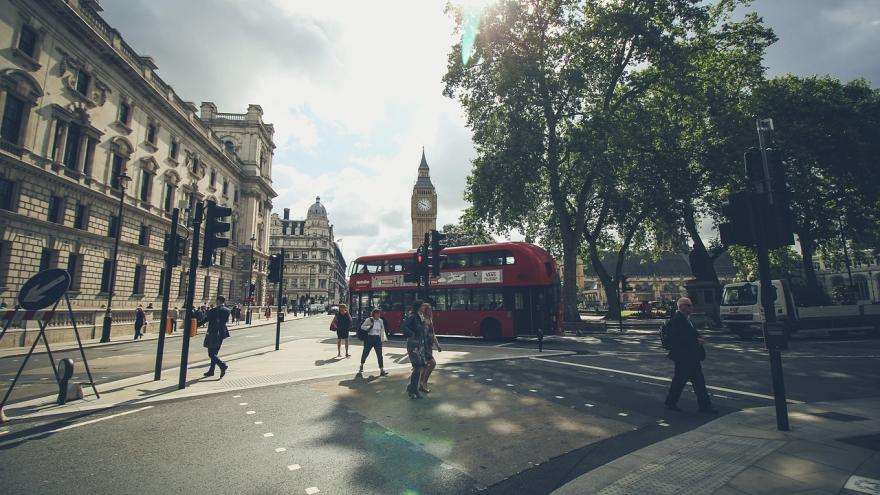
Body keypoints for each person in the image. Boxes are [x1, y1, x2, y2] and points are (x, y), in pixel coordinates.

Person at [664, 297, 717, 414]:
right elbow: (679, 339)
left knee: (698, 382)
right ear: (681, 306)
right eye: (688, 305)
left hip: (691, 356)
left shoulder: (685, 319)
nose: (691, 307)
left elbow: (690, 334)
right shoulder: (677, 320)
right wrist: (696, 341)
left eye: (691, 305)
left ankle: (705, 406)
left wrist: (699, 337)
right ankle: (671, 402)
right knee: (680, 381)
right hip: (684, 357)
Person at [402, 301, 428, 399]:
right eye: (422, 306)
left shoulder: (419, 317)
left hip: (420, 345)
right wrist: (411, 334)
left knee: (420, 367)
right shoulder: (412, 316)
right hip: (413, 345)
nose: (423, 308)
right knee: (417, 366)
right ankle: (413, 390)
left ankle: (413, 389)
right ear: (418, 307)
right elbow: (403, 326)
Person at [200, 295, 231, 378]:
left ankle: (222, 365)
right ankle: (211, 370)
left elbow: (205, 320)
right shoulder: (227, 310)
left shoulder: (213, 310)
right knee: (215, 353)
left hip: (213, 333)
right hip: (221, 333)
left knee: (211, 354)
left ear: (218, 301)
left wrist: (195, 325)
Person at [419, 303, 442, 394]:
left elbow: (433, 334)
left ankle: (421, 383)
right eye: (428, 309)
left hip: (429, 346)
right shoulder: (422, 319)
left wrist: (437, 345)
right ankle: (423, 383)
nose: (430, 311)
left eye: (430, 309)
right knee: (432, 363)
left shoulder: (430, 320)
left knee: (425, 366)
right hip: (423, 346)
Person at [358, 308, 388, 376]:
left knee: (379, 355)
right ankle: (362, 364)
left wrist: (382, 339)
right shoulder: (369, 320)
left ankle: (381, 370)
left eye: (379, 313)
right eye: (377, 313)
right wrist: (369, 326)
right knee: (366, 352)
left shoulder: (381, 321)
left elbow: (382, 330)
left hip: (377, 338)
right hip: (369, 338)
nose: (378, 315)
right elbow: (362, 327)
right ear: (373, 314)